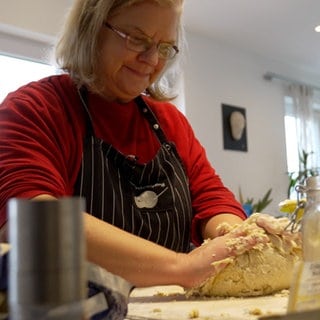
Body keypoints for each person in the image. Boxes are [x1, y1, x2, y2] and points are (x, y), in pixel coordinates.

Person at [0, 0, 268, 289]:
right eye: (138, 39)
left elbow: (211, 197)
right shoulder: (36, 109)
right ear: (91, 29)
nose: (153, 60)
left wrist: (238, 238)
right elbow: (33, 222)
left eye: (165, 48)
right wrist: (183, 267)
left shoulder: (170, 123)